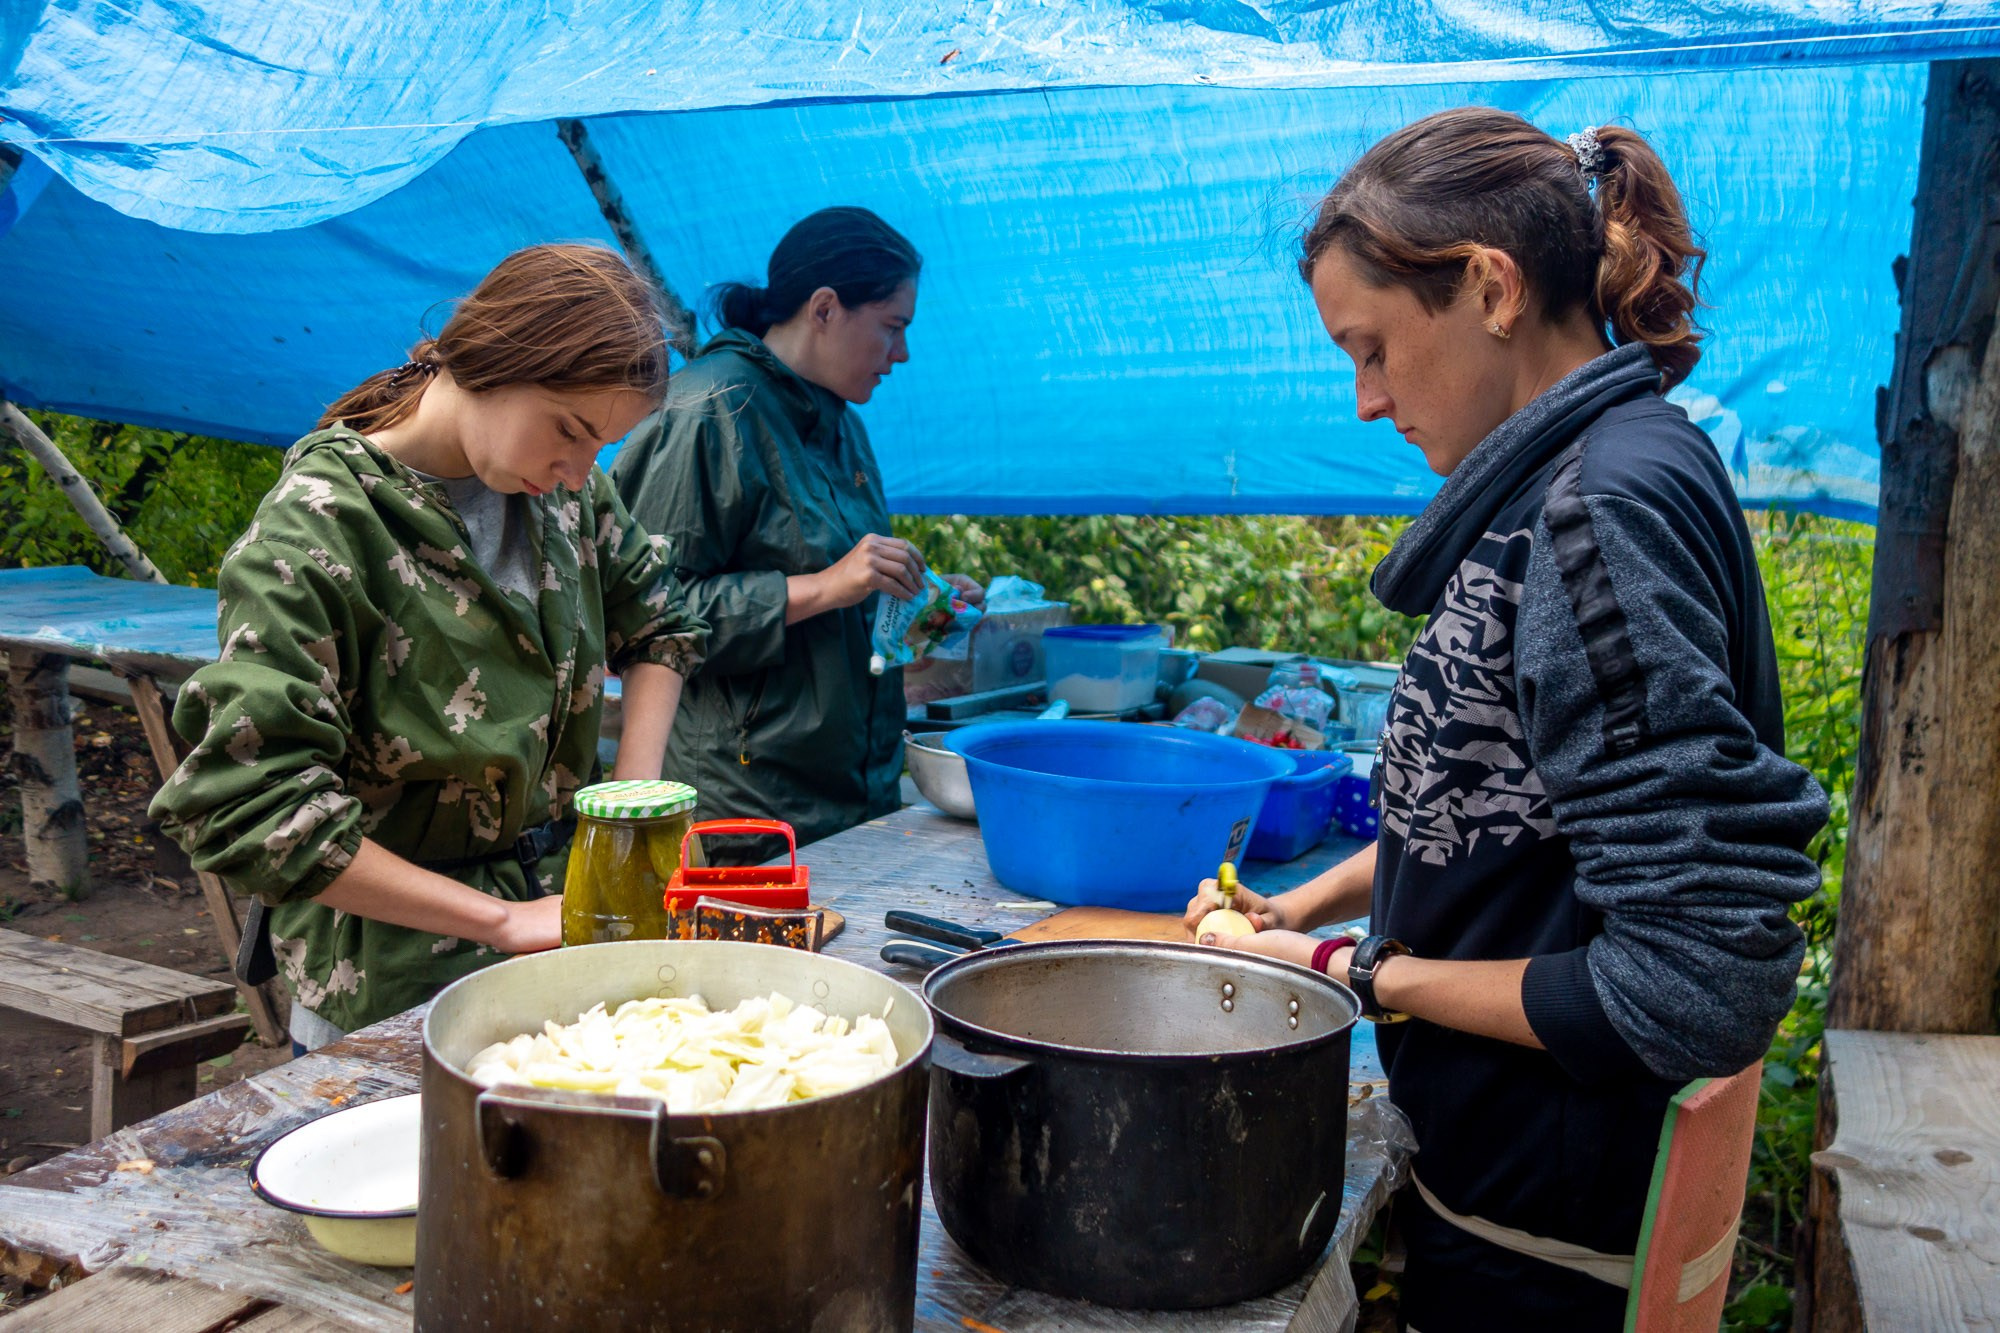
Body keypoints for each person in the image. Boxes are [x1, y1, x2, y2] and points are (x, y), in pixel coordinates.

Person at [1184, 110, 1827, 1331]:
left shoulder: (1597, 511)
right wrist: (1303, 905)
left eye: (1370, 350)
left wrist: (1348, 970)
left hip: (1550, 1250)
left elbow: (1684, 980)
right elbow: (1520, 814)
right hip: (1506, 1206)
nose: (1366, 403)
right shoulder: (1599, 472)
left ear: (1486, 285)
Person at [153, 243, 707, 1053]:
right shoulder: (323, 526)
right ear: (496, 358)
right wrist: (503, 919)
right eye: (570, 431)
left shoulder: (563, 491)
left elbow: (658, 621)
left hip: (559, 974)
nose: (578, 469)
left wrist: (625, 808)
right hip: (391, 995)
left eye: (600, 448)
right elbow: (250, 803)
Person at [611, 206, 982, 859]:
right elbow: (638, 621)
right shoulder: (710, 410)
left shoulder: (842, 424)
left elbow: (843, 587)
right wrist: (821, 587)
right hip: (744, 814)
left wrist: (917, 601)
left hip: (848, 798)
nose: (903, 354)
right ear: (825, 307)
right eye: (892, 328)